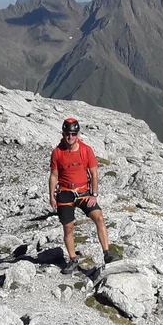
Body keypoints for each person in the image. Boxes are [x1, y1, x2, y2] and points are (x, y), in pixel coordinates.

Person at [47, 117, 117, 274]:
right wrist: (51, 196)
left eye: (73, 134)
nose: (70, 137)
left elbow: (94, 173)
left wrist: (94, 194)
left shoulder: (86, 150)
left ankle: (107, 253)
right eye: (67, 134)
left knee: (99, 217)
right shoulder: (57, 153)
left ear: (77, 134)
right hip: (65, 193)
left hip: (84, 192)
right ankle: (72, 259)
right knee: (68, 227)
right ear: (63, 133)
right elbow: (54, 175)